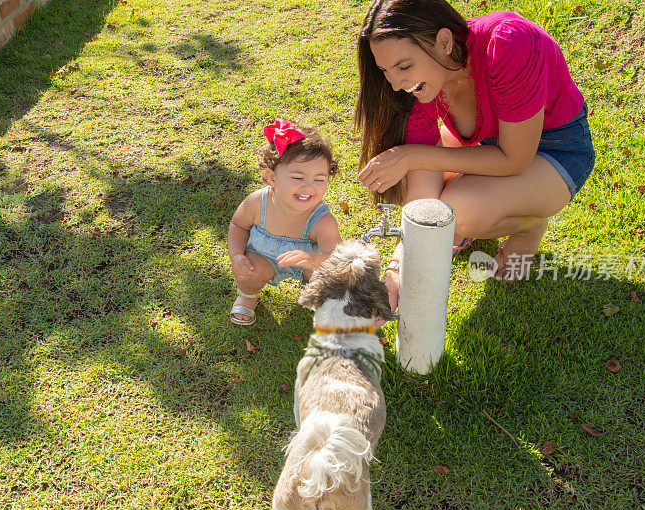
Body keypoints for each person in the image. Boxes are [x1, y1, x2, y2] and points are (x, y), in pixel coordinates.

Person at [354, 0, 596, 308]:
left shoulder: (508, 44)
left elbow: (514, 158)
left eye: (404, 66)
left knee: (455, 209)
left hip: (556, 150)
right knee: (426, 199)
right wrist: (398, 269)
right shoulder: (420, 82)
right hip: (488, 146)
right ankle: (467, 223)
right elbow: (422, 193)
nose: (395, 83)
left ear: (444, 42)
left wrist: (413, 156)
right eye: (385, 70)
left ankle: (527, 226)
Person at [228, 119, 342, 326]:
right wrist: (236, 256)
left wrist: (312, 260)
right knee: (248, 271)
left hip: (309, 264)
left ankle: (321, 299)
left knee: (329, 278)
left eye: (319, 179)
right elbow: (238, 226)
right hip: (263, 257)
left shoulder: (323, 221)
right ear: (271, 177)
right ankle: (248, 294)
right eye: (297, 178)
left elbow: (336, 259)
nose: (309, 187)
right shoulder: (257, 203)